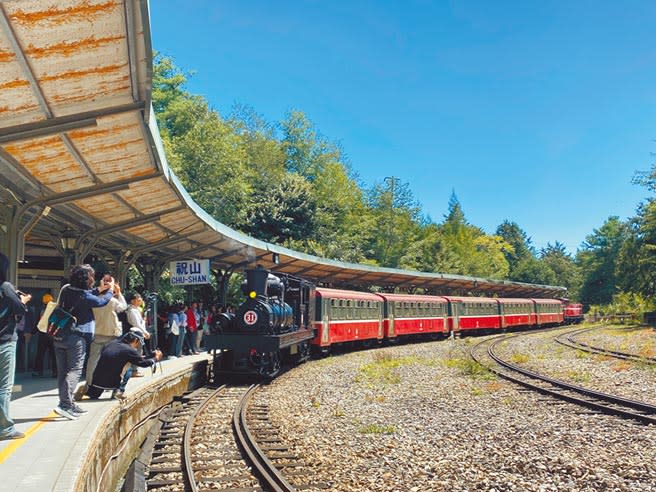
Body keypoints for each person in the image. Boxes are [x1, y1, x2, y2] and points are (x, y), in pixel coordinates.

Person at [53, 264, 114, 420]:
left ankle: (67, 402)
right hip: (76, 337)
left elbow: (86, 296)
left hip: (59, 335)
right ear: (87, 279)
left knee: (63, 372)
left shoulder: (67, 289)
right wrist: (111, 290)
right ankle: (65, 406)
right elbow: (101, 302)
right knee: (74, 370)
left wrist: (99, 289)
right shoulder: (85, 296)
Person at [74, 274, 126, 400]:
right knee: (114, 361)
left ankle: (89, 384)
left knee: (93, 361)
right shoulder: (112, 301)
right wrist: (119, 293)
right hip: (111, 335)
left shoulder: (93, 300)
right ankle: (115, 388)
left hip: (96, 334)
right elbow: (123, 307)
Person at [0, 252, 31, 440]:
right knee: (4, 387)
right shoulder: (5, 287)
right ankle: (5, 429)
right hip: (4, 341)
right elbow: (19, 309)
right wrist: (23, 300)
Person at [85, 329, 162, 400]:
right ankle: (119, 391)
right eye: (138, 343)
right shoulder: (129, 350)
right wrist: (156, 359)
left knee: (94, 395)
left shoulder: (112, 343)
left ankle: (88, 390)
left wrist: (151, 356)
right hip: (113, 382)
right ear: (135, 340)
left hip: (97, 380)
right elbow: (143, 363)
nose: (137, 346)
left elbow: (136, 358)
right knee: (129, 369)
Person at [33, 293, 57, 378]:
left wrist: (33, 332)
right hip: (53, 334)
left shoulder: (41, 310)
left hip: (43, 334)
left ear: (43, 302)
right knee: (54, 354)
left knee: (40, 353)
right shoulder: (55, 309)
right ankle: (55, 372)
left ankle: (38, 371)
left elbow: (37, 322)